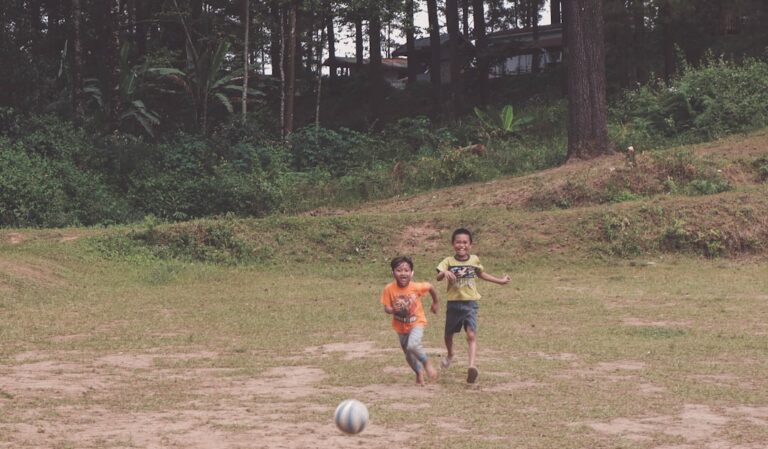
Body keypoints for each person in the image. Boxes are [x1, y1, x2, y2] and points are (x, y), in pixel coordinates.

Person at [436, 228, 510, 384]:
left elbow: (481, 274)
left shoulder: (474, 259)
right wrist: (444, 274)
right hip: (453, 304)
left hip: (470, 304)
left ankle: (471, 367)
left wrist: (500, 281)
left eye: (465, 242)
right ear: (452, 244)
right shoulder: (448, 261)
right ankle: (450, 355)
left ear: (470, 244)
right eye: (458, 242)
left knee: (471, 335)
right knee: (448, 335)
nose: (461, 245)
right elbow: (438, 276)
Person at [380, 256, 440, 385]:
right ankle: (418, 373)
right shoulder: (388, 289)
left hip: (417, 322)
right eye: (399, 270)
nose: (403, 273)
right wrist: (393, 310)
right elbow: (386, 308)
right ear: (393, 273)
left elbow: (430, 287)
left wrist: (435, 303)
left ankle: (426, 363)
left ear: (411, 273)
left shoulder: (416, 287)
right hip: (400, 327)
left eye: (406, 270)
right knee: (408, 355)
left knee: (413, 345)